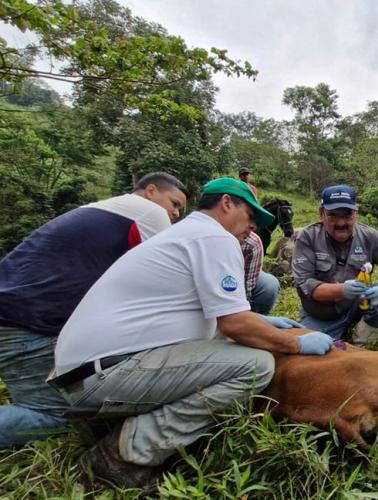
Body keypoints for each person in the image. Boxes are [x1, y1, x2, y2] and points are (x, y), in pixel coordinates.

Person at [48, 178, 333, 489]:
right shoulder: (215, 238)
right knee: (256, 366)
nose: (252, 228)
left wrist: (261, 322)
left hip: (82, 371)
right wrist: (295, 343)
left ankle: (118, 424)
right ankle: (123, 456)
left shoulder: (187, 233)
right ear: (226, 203)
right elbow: (233, 324)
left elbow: (211, 317)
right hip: (104, 374)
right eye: (251, 217)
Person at [0, 172, 188, 449]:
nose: (175, 213)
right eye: (174, 203)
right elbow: (172, 275)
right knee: (55, 414)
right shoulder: (149, 214)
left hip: (15, 307)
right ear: (150, 191)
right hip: (26, 321)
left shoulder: (105, 209)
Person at [294, 185, 378, 345]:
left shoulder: (370, 237)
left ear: (356, 213)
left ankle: (361, 341)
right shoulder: (307, 237)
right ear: (321, 214)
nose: (341, 223)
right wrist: (342, 290)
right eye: (333, 215)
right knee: (304, 348)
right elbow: (305, 286)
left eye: (348, 215)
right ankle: (336, 333)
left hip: (356, 307)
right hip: (320, 316)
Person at [241, 230, 281, 314]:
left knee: (269, 284)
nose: (253, 226)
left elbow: (248, 285)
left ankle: (258, 316)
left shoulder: (251, 241)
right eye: (249, 218)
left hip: (239, 278)